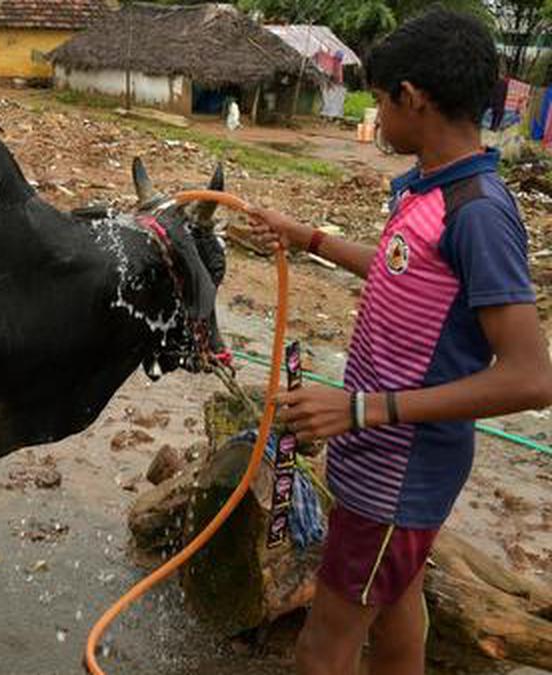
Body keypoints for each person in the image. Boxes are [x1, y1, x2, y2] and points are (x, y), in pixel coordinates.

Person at [249, 9, 552, 675]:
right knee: (398, 598)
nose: (378, 116)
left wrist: (360, 409)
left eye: (382, 100)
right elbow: (399, 266)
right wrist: (308, 237)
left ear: (411, 98)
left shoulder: (478, 211)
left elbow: (531, 376)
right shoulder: (429, 188)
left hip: (399, 468)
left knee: (323, 646)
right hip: (390, 462)